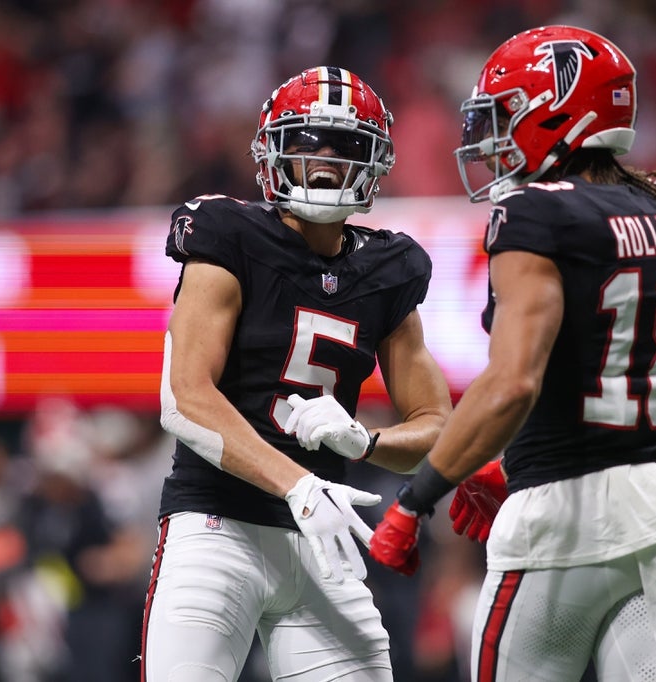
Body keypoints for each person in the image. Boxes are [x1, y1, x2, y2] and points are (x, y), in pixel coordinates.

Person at [366, 25, 656, 681]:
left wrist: (417, 497)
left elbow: (511, 385)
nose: (493, 138)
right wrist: (518, 459)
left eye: (507, 114)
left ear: (563, 109)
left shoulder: (536, 213)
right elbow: (598, 359)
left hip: (563, 524)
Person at [140, 66, 452, 682]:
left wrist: (367, 442)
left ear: (375, 161)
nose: (328, 160)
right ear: (272, 151)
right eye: (309, 140)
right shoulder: (229, 235)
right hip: (216, 527)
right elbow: (184, 400)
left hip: (322, 544)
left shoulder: (389, 268)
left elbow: (436, 428)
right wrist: (298, 485)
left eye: (348, 146)